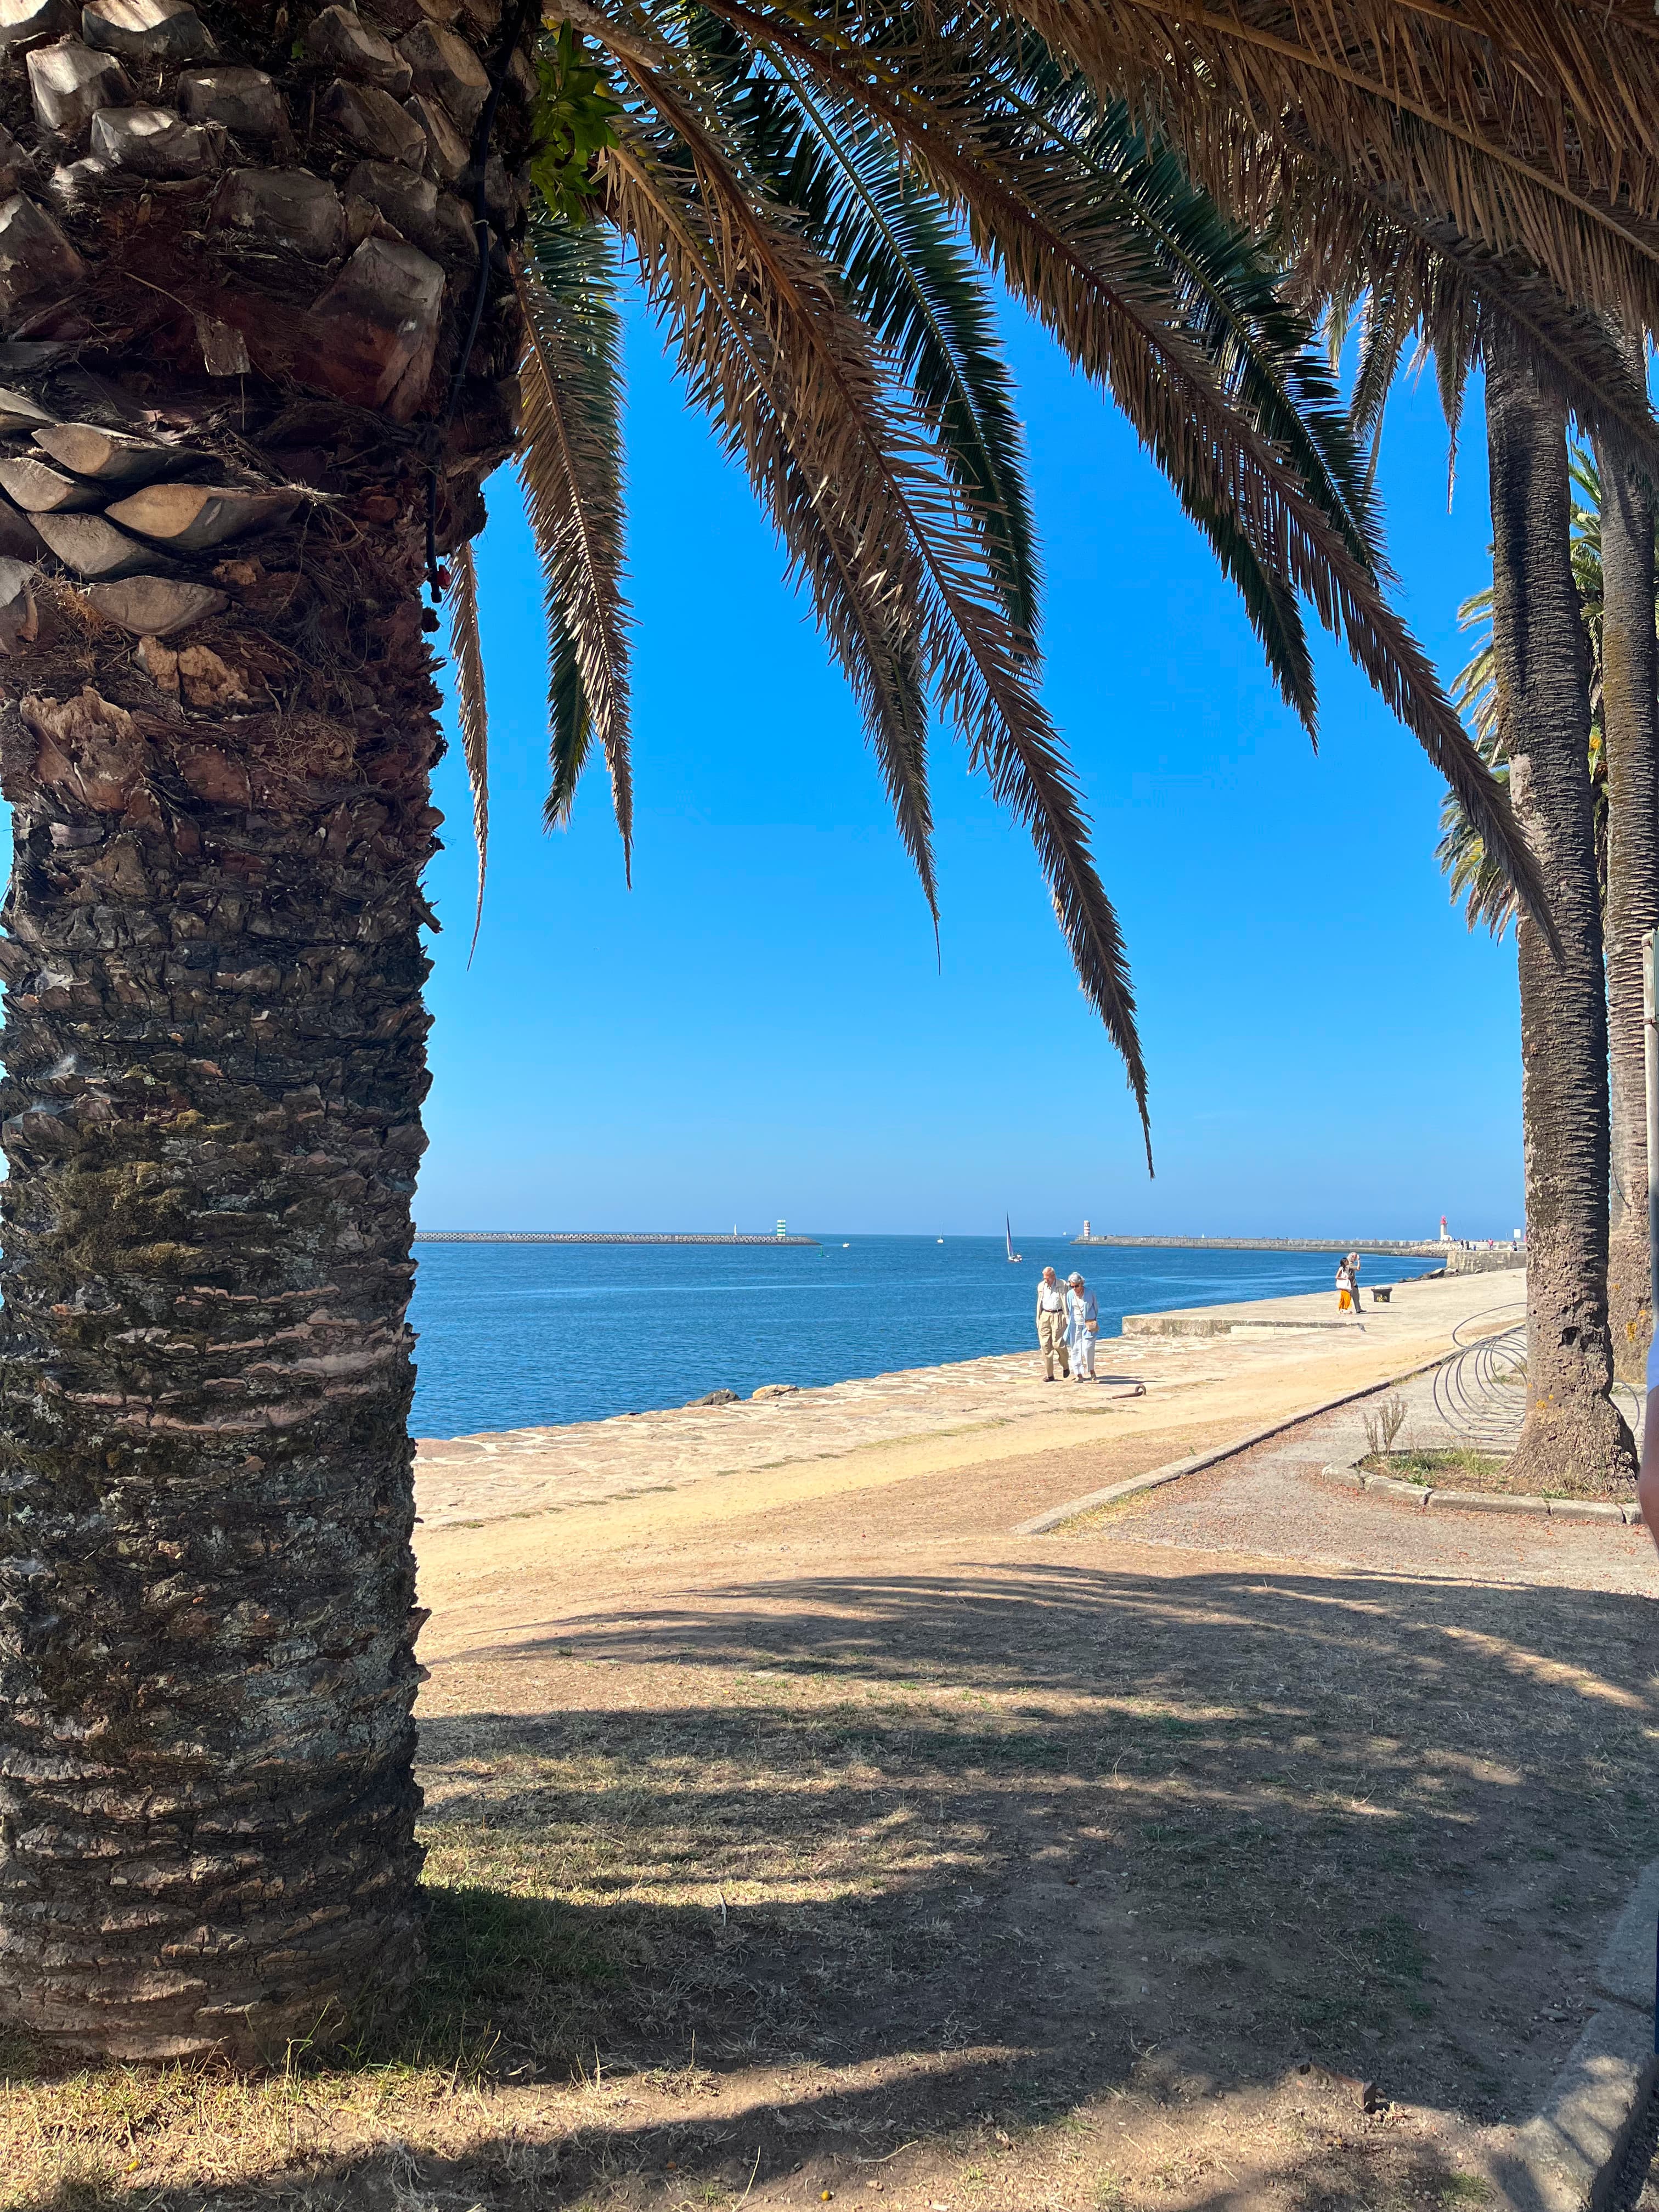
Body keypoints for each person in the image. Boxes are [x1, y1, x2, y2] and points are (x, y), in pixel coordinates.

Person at [1036, 1266, 1070, 1380]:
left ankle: (1065, 1365)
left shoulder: (1063, 1284)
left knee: (1058, 1344)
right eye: (1045, 1278)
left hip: (1059, 1315)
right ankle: (1050, 1375)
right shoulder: (1041, 1286)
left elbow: (1069, 1299)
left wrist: (1068, 1316)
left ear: (1053, 1276)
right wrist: (1039, 1318)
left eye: (1048, 1279)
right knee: (1045, 1346)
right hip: (1045, 1315)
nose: (1046, 1281)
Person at [1066, 1272, 1099, 1380]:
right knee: (1075, 1349)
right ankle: (1078, 1374)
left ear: (1082, 1284)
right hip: (1075, 1325)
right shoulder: (1070, 1294)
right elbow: (1069, 1309)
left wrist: (1093, 1320)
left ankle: (1091, 1370)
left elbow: (1095, 1308)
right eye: (1072, 1286)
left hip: (1088, 1325)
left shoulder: (1090, 1293)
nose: (1075, 1288)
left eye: (1077, 1286)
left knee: (1088, 1348)